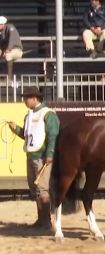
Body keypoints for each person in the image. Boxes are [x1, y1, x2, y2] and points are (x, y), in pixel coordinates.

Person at [7, 87, 60, 230]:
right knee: (35, 188)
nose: (25, 100)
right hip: (31, 155)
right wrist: (16, 129)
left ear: (35, 98)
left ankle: (46, 220)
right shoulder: (29, 115)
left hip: (41, 156)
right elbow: (27, 136)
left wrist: (49, 153)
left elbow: (53, 135)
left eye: (27, 98)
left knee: (42, 188)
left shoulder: (48, 114)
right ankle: (41, 219)